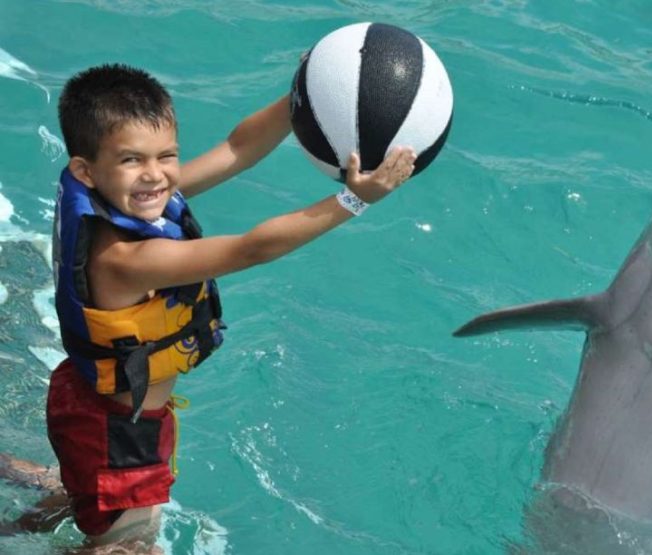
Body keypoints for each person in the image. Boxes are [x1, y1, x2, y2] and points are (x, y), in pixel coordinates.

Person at [15, 62, 416, 550]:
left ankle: (47, 505)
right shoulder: (127, 258)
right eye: (132, 161)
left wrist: (306, 97)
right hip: (116, 438)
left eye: (167, 156)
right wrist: (353, 201)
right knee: (131, 540)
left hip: (89, 405)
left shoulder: (118, 198)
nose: (155, 175)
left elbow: (237, 149)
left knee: (88, 494)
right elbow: (252, 248)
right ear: (86, 169)